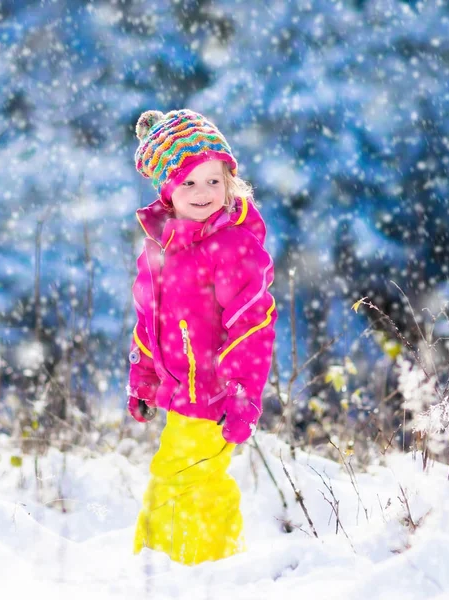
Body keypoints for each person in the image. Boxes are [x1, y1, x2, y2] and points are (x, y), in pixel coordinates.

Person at [127, 108, 277, 566]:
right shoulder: (162, 248)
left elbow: (252, 326)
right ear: (168, 190)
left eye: (214, 180)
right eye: (189, 182)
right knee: (178, 477)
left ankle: (200, 568)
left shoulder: (231, 247)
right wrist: (145, 377)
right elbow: (149, 321)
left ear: (229, 182)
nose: (203, 192)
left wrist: (241, 394)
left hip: (214, 394)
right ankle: (163, 567)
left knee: (188, 477)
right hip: (181, 393)